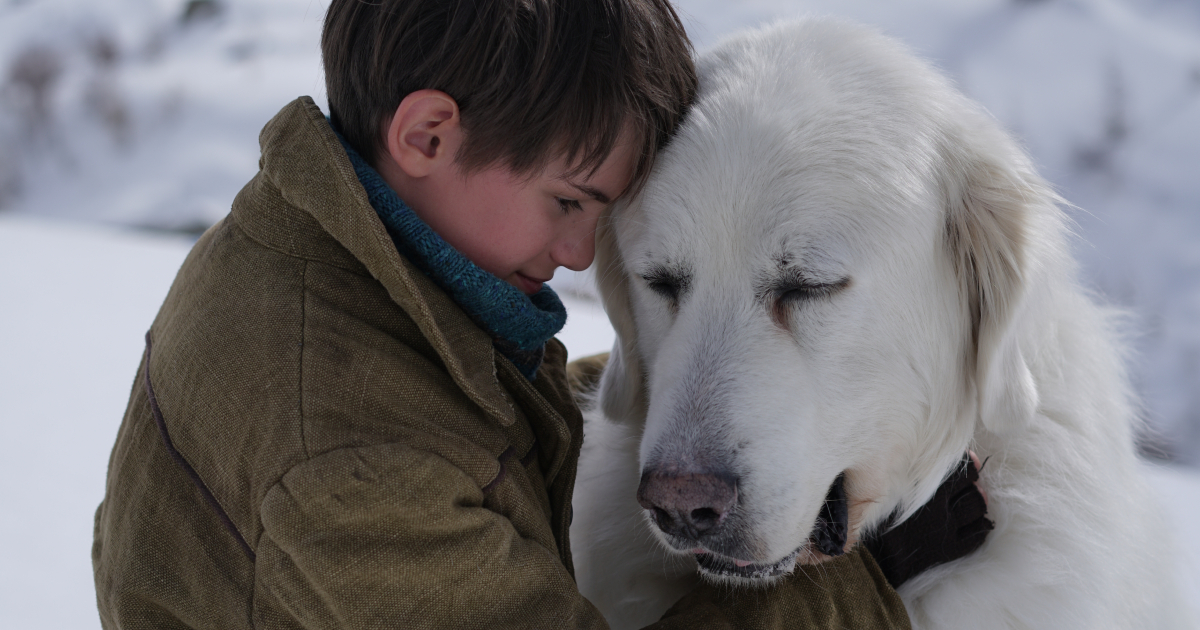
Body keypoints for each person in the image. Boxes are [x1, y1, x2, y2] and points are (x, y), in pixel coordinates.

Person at [92, 1, 989, 628]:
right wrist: (862, 584)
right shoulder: (350, 464)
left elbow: (438, 409)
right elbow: (387, 447)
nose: (574, 254)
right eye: (569, 202)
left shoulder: (306, 240)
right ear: (427, 136)